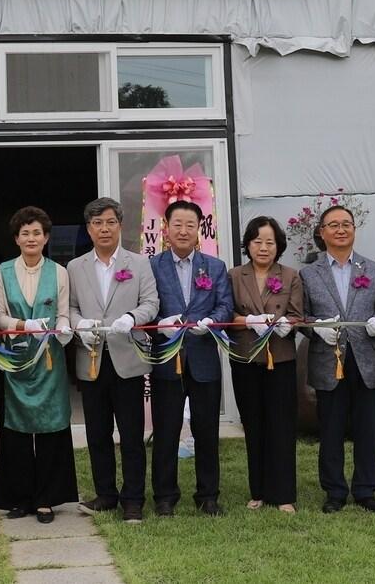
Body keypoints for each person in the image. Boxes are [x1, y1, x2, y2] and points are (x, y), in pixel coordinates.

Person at [67, 197, 159, 524]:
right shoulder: (75, 267)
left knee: (132, 434)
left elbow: (151, 301)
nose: (103, 229)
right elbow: (71, 307)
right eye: (97, 223)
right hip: (91, 359)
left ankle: (133, 499)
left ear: (120, 225)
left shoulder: (139, 263)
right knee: (97, 432)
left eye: (109, 222)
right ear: (89, 229)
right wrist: (79, 325)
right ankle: (105, 494)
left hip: (127, 357)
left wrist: (133, 317)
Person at [299, 204, 375, 513]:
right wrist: (316, 328)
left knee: (367, 428)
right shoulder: (309, 273)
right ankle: (335, 491)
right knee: (331, 429)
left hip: (367, 358)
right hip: (328, 358)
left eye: (347, 224)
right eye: (334, 225)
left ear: (354, 229)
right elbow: (301, 316)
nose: (341, 229)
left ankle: (366, 490)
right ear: (322, 232)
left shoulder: (373, 269)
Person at [0, 206, 77, 523]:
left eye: (37, 232)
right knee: (16, 428)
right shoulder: (2, 272)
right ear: (16, 238)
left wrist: (64, 329)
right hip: (16, 359)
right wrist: (21, 325)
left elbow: (64, 312)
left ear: (46, 237)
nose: (31, 238)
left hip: (50, 358)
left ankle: (47, 498)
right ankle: (20, 497)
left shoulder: (60, 272)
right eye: (25, 233)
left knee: (52, 426)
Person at [147, 200, 233, 517]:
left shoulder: (214, 267)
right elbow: (146, 306)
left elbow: (225, 305)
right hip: (167, 358)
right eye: (177, 224)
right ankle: (165, 496)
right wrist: (160, 324)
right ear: (165, 228)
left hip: (203, 359)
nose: (183, 231)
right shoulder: (152, 267)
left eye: (190, 225)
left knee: (207, 430)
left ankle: (208, 495)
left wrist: (211, 321)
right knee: (166, 430)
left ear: (199, 229)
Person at [228, 216, 304, 513]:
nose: (263, 247)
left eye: (270, 242)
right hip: (246, 358)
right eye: (258, 241)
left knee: (282, 426)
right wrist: (247, 320)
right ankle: (257, 490)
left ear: (279, 246)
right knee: (254, 424)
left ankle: (283, 493)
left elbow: (299, 314)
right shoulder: (235, 275)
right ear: (248, 244)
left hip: (280, 359)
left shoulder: (290, 275)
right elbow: (226, 313)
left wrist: (289, 323)